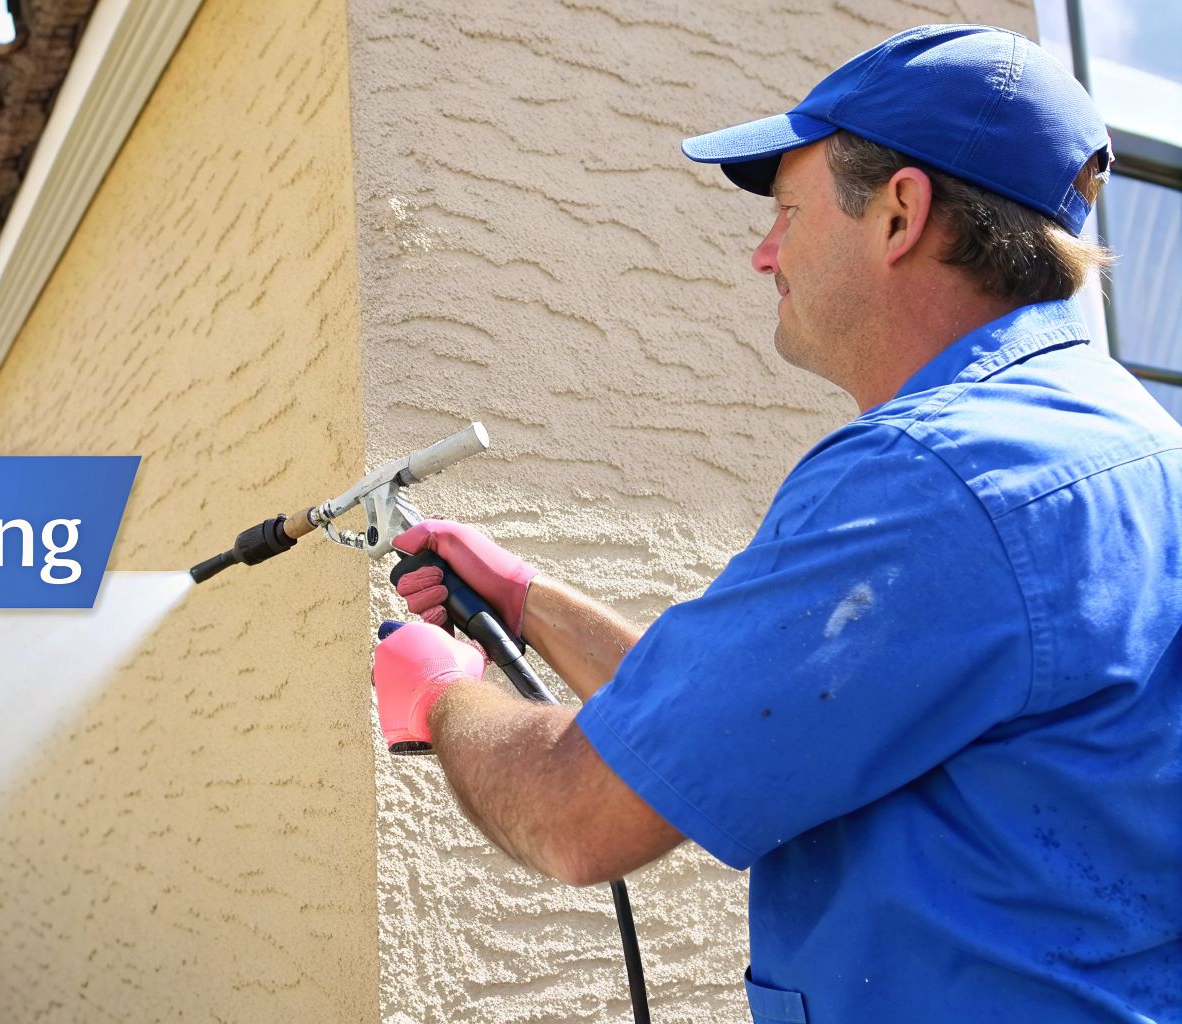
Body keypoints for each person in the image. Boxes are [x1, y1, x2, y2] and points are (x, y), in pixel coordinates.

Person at [370, 24, 1181, 1023]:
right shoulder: (1136, 446)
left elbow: (573, 812)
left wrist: (443, 691)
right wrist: (529, 602)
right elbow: (739, 721)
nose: (762, 254)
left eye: (787, 213)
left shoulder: (925, 481)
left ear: (898, 212)